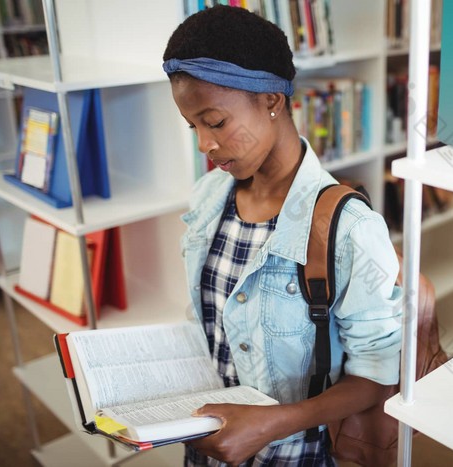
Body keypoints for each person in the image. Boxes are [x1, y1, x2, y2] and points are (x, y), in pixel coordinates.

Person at [163, 5, 402, 466]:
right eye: (193, 126)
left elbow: (377, 375)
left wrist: (271, 423)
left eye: (215, 122)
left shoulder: (349, 228)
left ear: (272, 100)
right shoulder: (209, 196)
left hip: (297, 456)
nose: (204, 145)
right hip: (209, 447)